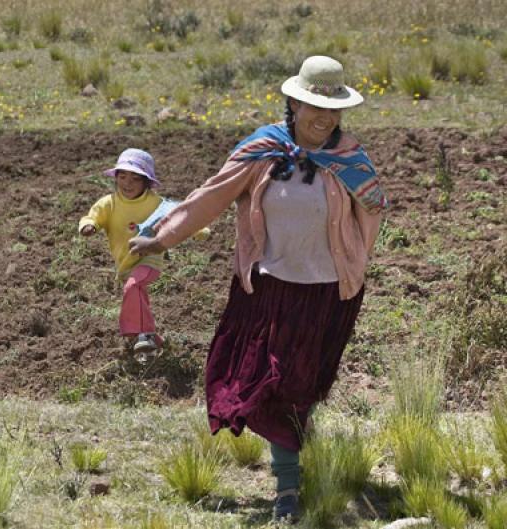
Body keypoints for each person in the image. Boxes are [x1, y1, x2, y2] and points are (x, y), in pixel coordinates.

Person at [128, 56, 386, 521]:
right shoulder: (263, 150)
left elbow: (372, 210)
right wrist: (162, 237)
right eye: (312, 106)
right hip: (266, 289)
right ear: (292, 102)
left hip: (325, 294)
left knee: (294, 386)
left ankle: (288, 486)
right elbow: (209, 197)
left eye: (331, 109)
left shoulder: (350, 158)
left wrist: (353, 263)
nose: (322, 117)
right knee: (254, 382)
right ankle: (290, 476)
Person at [79, 148, 208, 359]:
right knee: (136, 295)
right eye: (122, 176)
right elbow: (92, 217)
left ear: (147, 182)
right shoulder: (109, 203)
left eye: (135, 178)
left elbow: (179, 216)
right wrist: (88, 226)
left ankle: (143, 335)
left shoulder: (157, 204)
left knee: (134, 285)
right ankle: (155, 342)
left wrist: (199, 230)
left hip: (149, 259)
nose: (127, 183)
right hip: (125, 264)